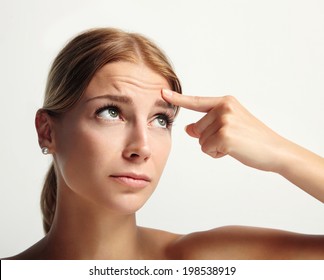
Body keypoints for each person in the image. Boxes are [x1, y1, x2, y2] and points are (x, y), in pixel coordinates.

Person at [3, 27, 324, 260]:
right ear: (47, 131)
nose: (141, 147)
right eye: (111, 112)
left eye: (161, 120)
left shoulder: (201, 265)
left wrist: (283, 155)